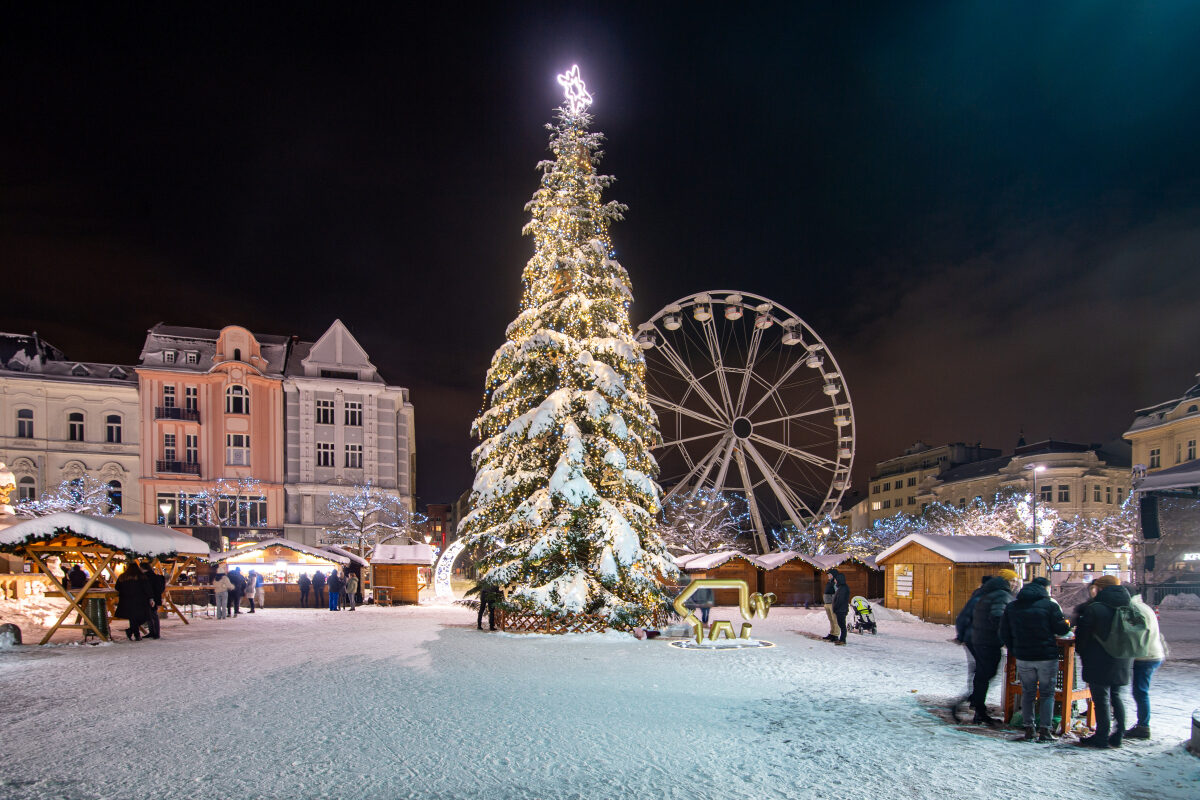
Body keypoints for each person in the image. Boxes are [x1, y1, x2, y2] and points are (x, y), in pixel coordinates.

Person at [1000, 576, 1070, 741]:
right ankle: (1045, 730)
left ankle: (1029, 729)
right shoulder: (1050, 606)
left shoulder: (1012, 607)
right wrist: (1066, 624)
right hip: (1046, 656)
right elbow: (1061, 629)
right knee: (1047, 693)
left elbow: (1004, 632)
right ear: (1045, 590)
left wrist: (1015, 648)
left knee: (1028, 693)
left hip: (1024, 657)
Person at [1074, 575, 1134, 748]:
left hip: (1098, 659)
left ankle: (1101, 737)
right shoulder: (1129, 606)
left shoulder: (1094, 609)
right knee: (1116, 697)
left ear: (1100, 588)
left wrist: (1083, 653)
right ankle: (1118, 735)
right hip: (1122, 658)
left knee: (1101, 700)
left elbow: (1082, 638)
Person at [969, 568, 1019, 725]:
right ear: (1007, 582)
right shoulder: (1002, 595)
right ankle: (978, 708)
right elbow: (998, 616)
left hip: (978, 638)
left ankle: (978, 706)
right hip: (988, 640)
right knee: (987, 673)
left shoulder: (985, 592)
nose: (1015, 584)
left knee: (983, 674)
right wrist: (1006, 634)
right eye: (1013, 581)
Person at [949, 575, 992, 721]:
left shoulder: (978, 596)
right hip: (980, 640)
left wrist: (962, 636)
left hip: (972, 639)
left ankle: (975, 702)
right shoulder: (984, 598)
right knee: (984, 673)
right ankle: (974, 702)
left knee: (980, 672)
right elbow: (964, 617)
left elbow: (963, 618)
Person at [1126, 590, 1166, 740]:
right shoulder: (1142, 606)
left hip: (1147, 655)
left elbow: (1138, 631)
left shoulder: (1134, 608)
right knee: (1140, 691)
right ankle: (1142, 725)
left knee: (1140, 692)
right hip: (1152, 653)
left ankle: (1143, 726)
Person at [114, 562, 152, 641]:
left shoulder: (122, 577)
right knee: (143, 617)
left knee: (132, 618)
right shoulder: (141, 576)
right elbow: (147, 589)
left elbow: (117, 587)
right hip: (140, 600)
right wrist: (150, 597)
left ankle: (134, 633)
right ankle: (134, 633)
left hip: (126, 600)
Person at [141, 561, 166, 639]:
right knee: (152, 615)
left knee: (152, 616)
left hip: (150, 598)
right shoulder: (155, 576)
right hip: (156, 597)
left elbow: (147, 589)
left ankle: (154, 633)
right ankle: (154, 632)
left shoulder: (146, 577)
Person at [831, 571, 850, 646]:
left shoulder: (843, 588)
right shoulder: (841, 587)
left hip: (841, 610)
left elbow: (840, 600)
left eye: (835, 579)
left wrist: (835, 607)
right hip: (840, 609)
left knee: (842, 625)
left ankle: (843, 640)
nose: (834, 580)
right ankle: (842, 639)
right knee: (841, 624)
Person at [822, 569, 841, 641]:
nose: (828, 576)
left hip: (833, 604)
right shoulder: (829, 582)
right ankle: (832, 633)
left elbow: (837, 593)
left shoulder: (835, 583)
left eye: (830, 575)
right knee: (831, 619)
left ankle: (836, 634)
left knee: (835, 619)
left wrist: (835, 601)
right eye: (828, 575)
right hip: (827, 603)